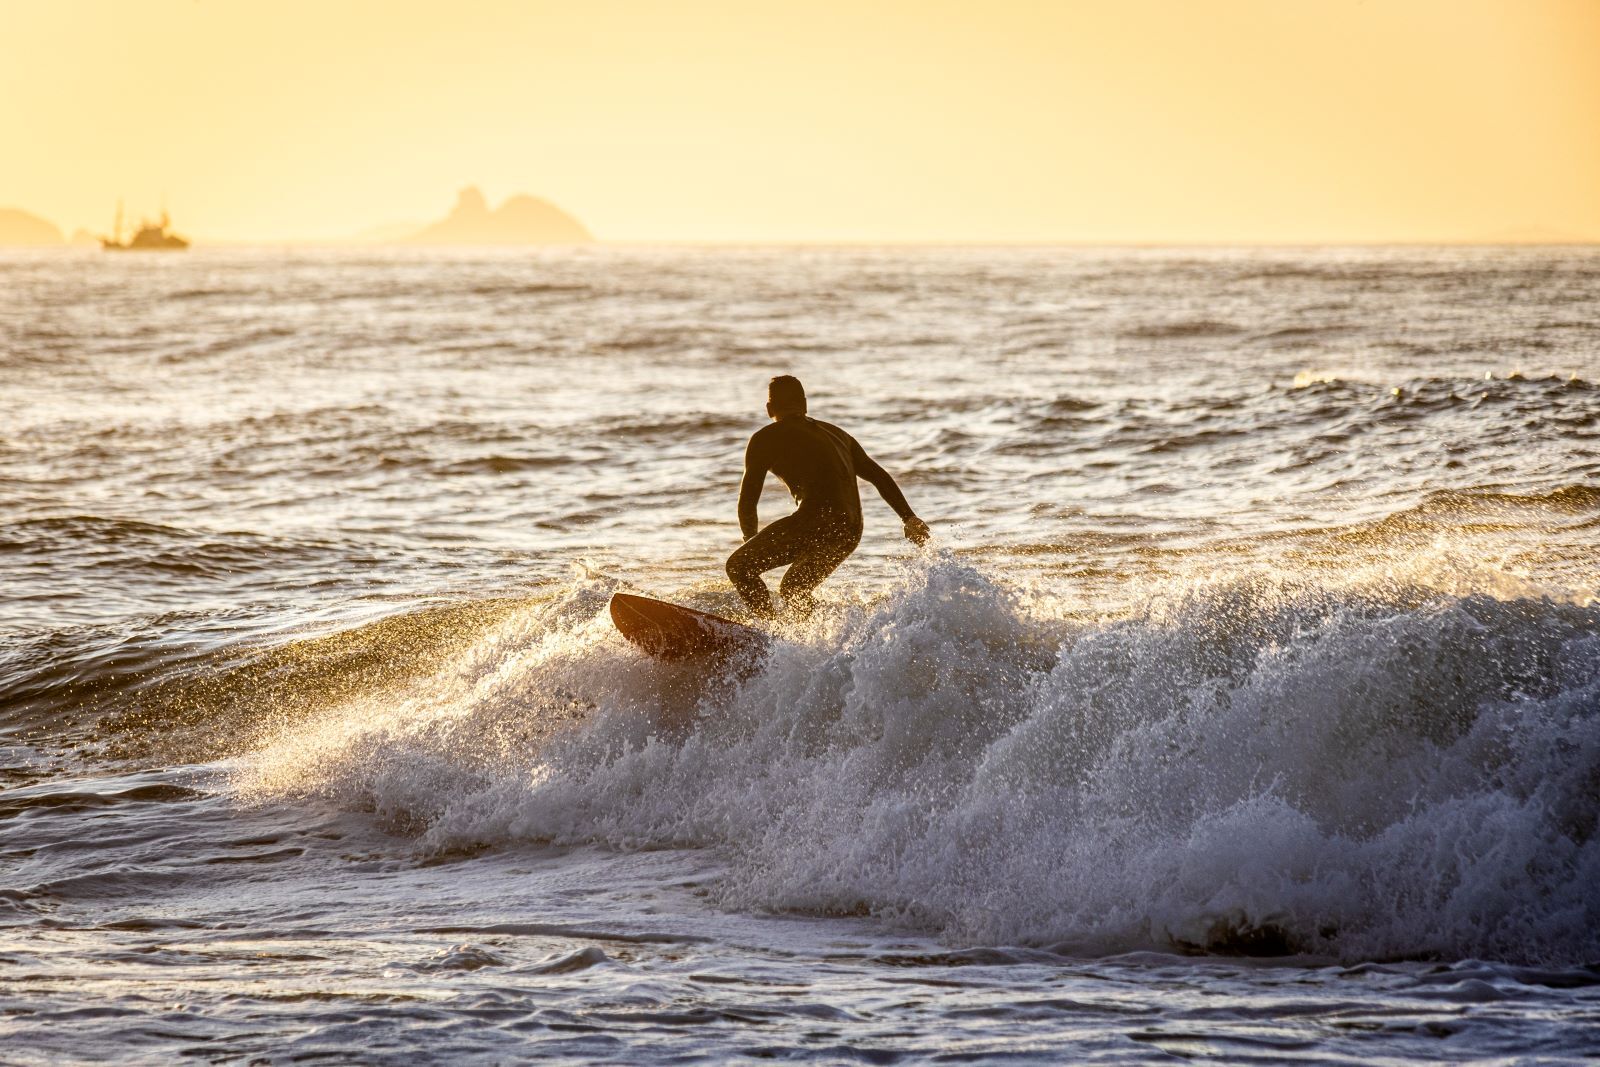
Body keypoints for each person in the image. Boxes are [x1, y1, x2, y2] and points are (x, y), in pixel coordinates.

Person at [726, 375, 930, 619]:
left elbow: (748, 500)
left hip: (815, 521)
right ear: (804, 404)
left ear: (769, 408)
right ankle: (817, 639)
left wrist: (750, 541)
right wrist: (909, 517)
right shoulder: (838, 434)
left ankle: (768, 631)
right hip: (850, 530)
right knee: (794, 589)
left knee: (739, 566)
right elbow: (879, 476)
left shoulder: (765, 438)